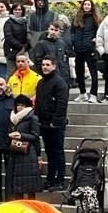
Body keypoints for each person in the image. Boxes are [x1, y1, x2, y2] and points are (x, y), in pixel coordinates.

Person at [35, 54, 68, 191]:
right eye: (43, 65)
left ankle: (60, 180)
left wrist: (55, 121)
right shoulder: (41, 83)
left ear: (54, 66)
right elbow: (38, 102)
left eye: (48, 65)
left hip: (55, 125)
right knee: (49, 152)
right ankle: (50, 179)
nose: (45, 67)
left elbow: (62, 104)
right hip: (43, 123)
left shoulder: (59, 83)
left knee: (58, 152)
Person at [6, 93, 41, 200]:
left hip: (28, 154)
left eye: (22, 105)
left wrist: (21, 135)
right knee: (17, 186)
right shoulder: (12, 118)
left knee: (30, 187)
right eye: (18, 105)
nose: (20, 107)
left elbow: (35, 136)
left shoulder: (33, 118)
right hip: (15, 152)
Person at [71, 0, 100, 103]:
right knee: (79, 72)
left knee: (93, 72)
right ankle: (82, 93)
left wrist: (95, 40)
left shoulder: (95, 19)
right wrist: (74, 42)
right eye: (85, 4)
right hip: (78, 49)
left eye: (89, 4)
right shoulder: (77, 18)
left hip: (90, 48)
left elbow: (99, 32)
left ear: (92, 6)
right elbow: (72, 31)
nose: (86, 6)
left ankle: (93, 94)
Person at [30, 22, 70, 88]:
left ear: (59, 32)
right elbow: (38, 62)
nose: (53, 32)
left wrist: (67, 77)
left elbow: (65, 61)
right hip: (48, 77)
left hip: (63, 77)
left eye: (56, 30)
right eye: (52, 29)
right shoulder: (41, 44)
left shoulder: (62, 43)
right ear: (48, 29)